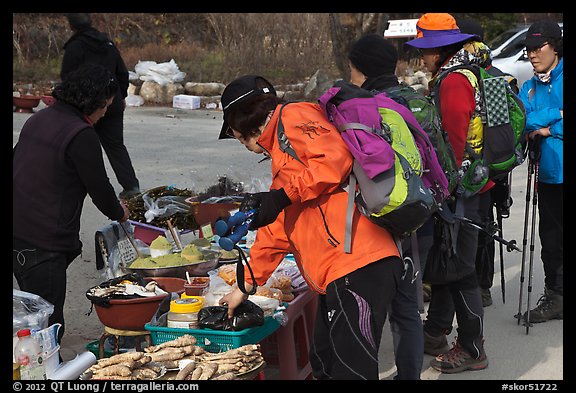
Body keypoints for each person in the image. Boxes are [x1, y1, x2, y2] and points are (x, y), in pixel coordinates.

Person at [217, 75, 404, 380]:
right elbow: (276, 230)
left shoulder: (293, 115)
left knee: (351, 372)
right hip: (338, 272)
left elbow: (335, 158)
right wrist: (245, 284)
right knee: (323, 363)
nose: (240, 143)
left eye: (236, 136)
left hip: (359, 263)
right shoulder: (282, 151)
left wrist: (282, 196)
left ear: (244, 118)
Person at [13, 63, 130, 343]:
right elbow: (100, 189)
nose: (104, 114)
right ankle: (40, 374)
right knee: (48, 325)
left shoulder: (40, 118)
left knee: (33, 314)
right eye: (106, 106)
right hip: (43, 242)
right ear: (96, 101)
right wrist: (120, 212)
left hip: (19, 232)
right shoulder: (80, 134)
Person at [405, 12, 491, 373]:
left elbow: (452, 143)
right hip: (469, 185)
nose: (421, 57)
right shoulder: (463, 70)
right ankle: (437, 330)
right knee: (448, 262)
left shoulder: (454, 80)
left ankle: (472, 348)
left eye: (424, 49)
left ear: (439, 48)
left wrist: (441, 186)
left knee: (461, 271)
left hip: (462, 189)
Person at [347, 33, 423, 380]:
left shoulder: (367, 107)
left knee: (371, 309)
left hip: (383, 219)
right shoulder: (414, 98)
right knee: (408, 304)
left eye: (351, 68)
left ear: (361, 70)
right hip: (420, 210)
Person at [456, 17, 517, 308]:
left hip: (479, 167)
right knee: (484, 225)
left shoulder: (472, 76)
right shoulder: (494, 74)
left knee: (477, 224)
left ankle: (478, 285)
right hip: (493, 167)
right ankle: (480, 284)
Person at [61, 13, 140, 200]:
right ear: (91, 22)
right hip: (111, 103)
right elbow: (122, 73)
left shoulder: (75, 47)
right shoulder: (108, 44)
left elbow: (67, 78)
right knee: (115, 146)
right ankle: (131, 187)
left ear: (71, 26)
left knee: (78, 145)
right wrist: (119, 96)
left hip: (84, 106)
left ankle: (77, 186)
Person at [518, 20, 563, 323]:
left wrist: (549, 129)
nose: (533, 55)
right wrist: (554, 118)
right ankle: (556, 296)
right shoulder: (528, 87)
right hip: (547, 174)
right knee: (551, 239)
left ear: (555, 46)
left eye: (539, 47)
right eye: (528, 49)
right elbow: (522, 121)